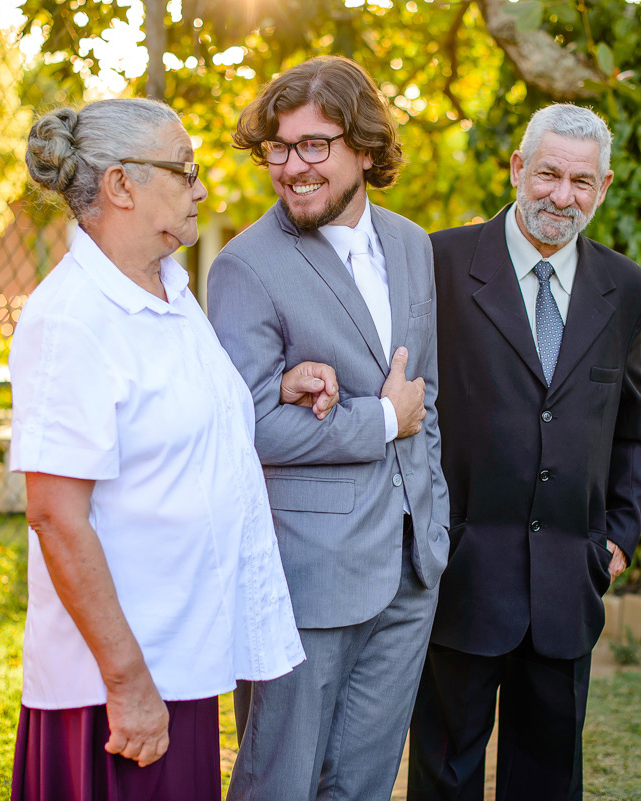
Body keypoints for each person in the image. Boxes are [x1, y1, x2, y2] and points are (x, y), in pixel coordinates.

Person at [10, 98, 339, 801]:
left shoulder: (169, 292)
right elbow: (55, 517)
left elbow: (178, 419)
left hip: (179, 661)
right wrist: (128, 682)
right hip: (116, 688)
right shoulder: (71, 319)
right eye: (184, 171)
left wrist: (279, 389)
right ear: (121, 185)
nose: (202, 189)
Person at [206, 56, 450, 801]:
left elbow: (426, 395)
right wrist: (379, 420)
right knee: (281, 781)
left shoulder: (412, 243)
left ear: (365, 148)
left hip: (412, 567)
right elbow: (246, 424)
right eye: (278, 148)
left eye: (314, 145)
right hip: (307, 575)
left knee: (365, 784)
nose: (291, 167)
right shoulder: (245, 266)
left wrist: (433, 521)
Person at [408, 103, 641, 801]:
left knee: (549, 780)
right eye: (549, 174)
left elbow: (634, 428)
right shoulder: (438, 262)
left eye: (581, 182)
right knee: (445, 773)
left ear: (602, 188)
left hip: (568, 581)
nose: (562, 196)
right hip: (461, 573)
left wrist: (616, 539)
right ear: (518, 168)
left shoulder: (626, 287)